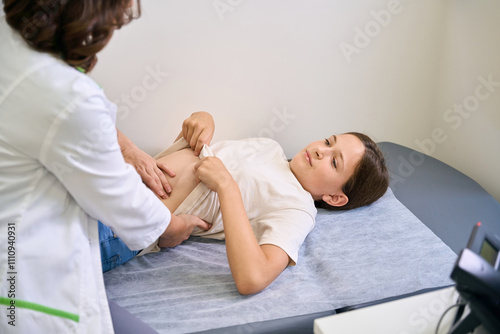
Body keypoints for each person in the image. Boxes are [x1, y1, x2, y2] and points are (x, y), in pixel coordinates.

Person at [0, 1, 208, 333]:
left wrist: (124, 147)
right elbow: (121, 199)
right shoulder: (67, 98)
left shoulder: (14, 41)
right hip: (23, 284)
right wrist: (171, 226)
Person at [102, 111, 389, 295]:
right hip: (111, 180)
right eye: (328, 142)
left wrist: (227, 186)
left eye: (334, 161)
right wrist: (202, 121)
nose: (319, 151)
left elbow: (253, 278)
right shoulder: (270, 147)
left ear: (335, 198)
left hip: (119, 225)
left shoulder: (298, 209)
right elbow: (195, 157)